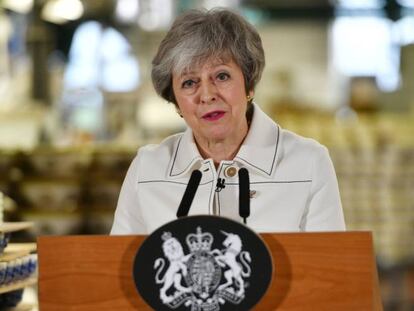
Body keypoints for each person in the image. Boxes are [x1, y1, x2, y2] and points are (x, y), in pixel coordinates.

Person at [110, 8, 345, 235]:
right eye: (189, 83)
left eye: (222, 76)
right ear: (175, 101)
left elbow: (329, 269)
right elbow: (116, 268)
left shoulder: (308, 162)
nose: (207, 95)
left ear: (249, 84)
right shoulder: (147, 168)